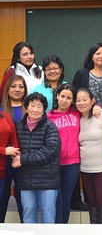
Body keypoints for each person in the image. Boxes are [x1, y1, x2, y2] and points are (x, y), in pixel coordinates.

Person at [12, 92, 61, 223]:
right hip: (26, 179)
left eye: (39, 106)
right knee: (28, 215)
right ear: (26, 107)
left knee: (48, 215)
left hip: (48, 180)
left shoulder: (50, 127)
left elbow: (50, 152)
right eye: (32, 105)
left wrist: (23, 159)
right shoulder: (18, 127)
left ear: (44, 109)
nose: (35, 109)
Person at [76, 88, 102, 224]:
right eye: (78, 100)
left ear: (92, 101)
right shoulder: (78, 119)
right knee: (91, 202)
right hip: (85, 168)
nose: (81, 103)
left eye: (85, 99)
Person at [47, 83, 81, 223]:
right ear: (57, 96)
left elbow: (93, 106)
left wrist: (97, 108)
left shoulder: (77, 114)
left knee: (65, 200)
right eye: (62, 96)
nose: (64, 100)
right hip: (54, 164)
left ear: (72, 100)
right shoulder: (48, 116)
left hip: (72, 164)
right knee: (56, 199)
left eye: (68, 98)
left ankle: (62, 228)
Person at [0, 75, 27, 222]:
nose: (17, 89)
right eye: (13, 86)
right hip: (3, 162)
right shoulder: (1, 110)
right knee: (2, 199)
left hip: (24, 162)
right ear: (7, 89)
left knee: (24, 202)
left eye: (21, 86)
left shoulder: (31, 108)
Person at [72, 43, 102, 110]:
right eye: (97, 53)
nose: (101, 56)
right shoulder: (82, 74)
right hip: (89, 117)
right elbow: (74, 96)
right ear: (92, 56)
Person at [0, 111, 19, 197]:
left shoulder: (5, 115)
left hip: (2, 170)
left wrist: (16, 153)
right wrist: (4, 151)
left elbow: (13, 134)